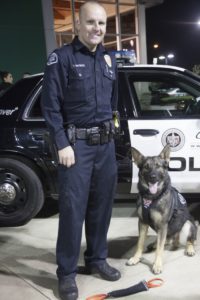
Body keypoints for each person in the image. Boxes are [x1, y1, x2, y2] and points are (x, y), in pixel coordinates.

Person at [41, 1, 120, 300]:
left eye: (101, 23)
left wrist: (112, 134)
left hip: (105, 147)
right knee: (73, 212)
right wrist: (62, 142)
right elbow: (51, 106)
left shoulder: (109, 59)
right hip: (76, 147)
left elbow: (113, 103)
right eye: (90, 22)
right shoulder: (60, 58)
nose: (97, 28)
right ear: (77, 24)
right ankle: (66, 273)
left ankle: (97, 259)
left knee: (102, 208)